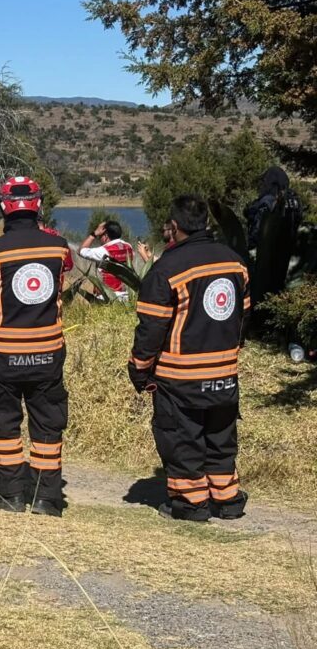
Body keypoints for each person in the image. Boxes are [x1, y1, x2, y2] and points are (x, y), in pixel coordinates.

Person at [128, 195, 250, 522]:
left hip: (179, 378)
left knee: (182, 440)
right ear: (207, 223)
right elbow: (243, 318)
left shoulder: (167, 269)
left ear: (174, 226)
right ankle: (227, 499)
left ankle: (190, 504)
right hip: (224, 373)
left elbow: (151, 329)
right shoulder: (234, 262)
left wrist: (139, 369)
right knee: (221, 438)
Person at [0, 176, 70, 517]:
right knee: (48, 424)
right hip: (47, 352)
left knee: (3, 424)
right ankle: (47, 498)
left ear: (3, 207)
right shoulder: (58, 247)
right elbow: (65, 271)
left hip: (2, 354)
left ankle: (10, 494)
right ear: (38, 205)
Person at [245, 165, 303, 250]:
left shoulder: (267, 200)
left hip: (268, 251)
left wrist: (250, 246)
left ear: (270, 182)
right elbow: (299, 219)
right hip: (290, 250)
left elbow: (258, 229)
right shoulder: (294, 198)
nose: (262, 186)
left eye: (264, 182)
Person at [79, 220, 135, 301]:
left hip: (107, 297)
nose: (100, 239)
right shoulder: (128, 247)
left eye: (100, 236)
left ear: (106, 236)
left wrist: (94, 234)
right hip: (126, 296)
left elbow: (81, 251)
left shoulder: (104, 251)